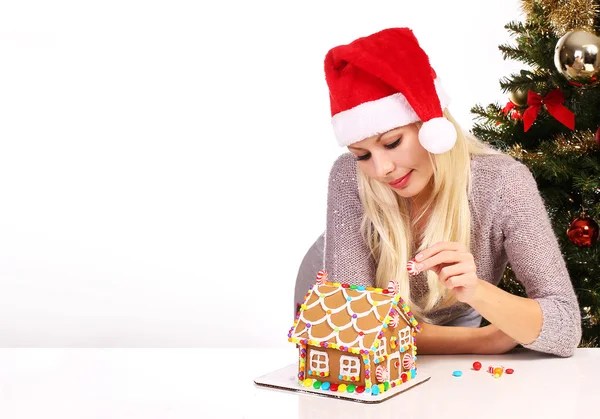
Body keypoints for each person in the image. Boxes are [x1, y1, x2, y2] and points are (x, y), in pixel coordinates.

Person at [294, 27, 581, 357]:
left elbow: (565, 328)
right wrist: (485, 341)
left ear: (431, 125)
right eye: (362, 154)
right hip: (326, 295)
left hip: (446, 323)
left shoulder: (503, 183)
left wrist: (477, 292)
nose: (381, 169)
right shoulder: (348, 177)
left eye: (392, 143)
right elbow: (354, 330)